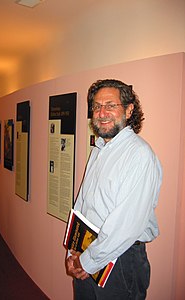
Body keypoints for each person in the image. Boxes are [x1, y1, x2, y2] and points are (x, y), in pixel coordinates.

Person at [65, 79, 162, 299]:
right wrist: (73, 250)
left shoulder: (139, 155)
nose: (101, 112)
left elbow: (125, 227)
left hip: (120, 259)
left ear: (128, 110)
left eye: (110, 105)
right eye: (96, 107)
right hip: (88, 249)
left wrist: (86, 261)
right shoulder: (100, 149)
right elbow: (83, 204)